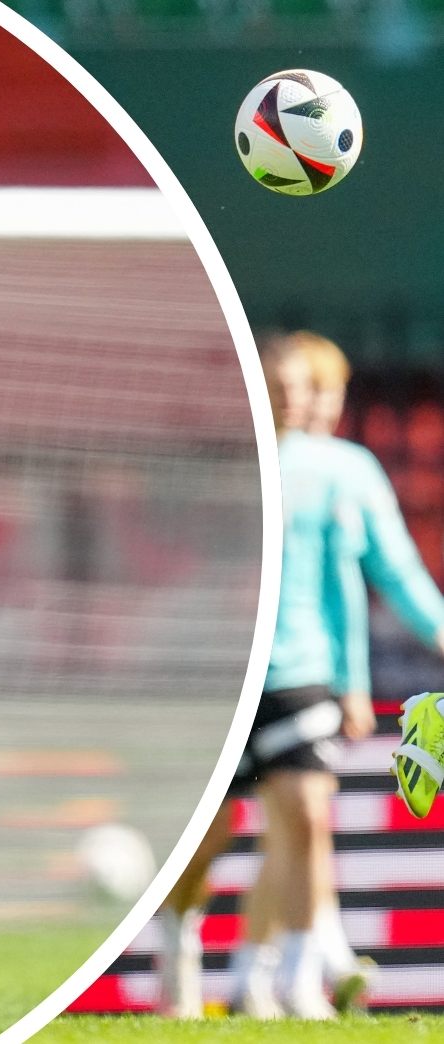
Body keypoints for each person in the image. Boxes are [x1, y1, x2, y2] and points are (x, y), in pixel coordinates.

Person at [157, 331, 444, 1019]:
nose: (291, 401)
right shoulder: (226, 467)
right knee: (216, 835)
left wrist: (355, 674)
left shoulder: (345, 470)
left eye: (301, 388)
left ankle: (293, 978)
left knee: (304, 816)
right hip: (226, 683)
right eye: (276, 387)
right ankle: (179, 929)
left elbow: (392, 572)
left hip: (302, 675)